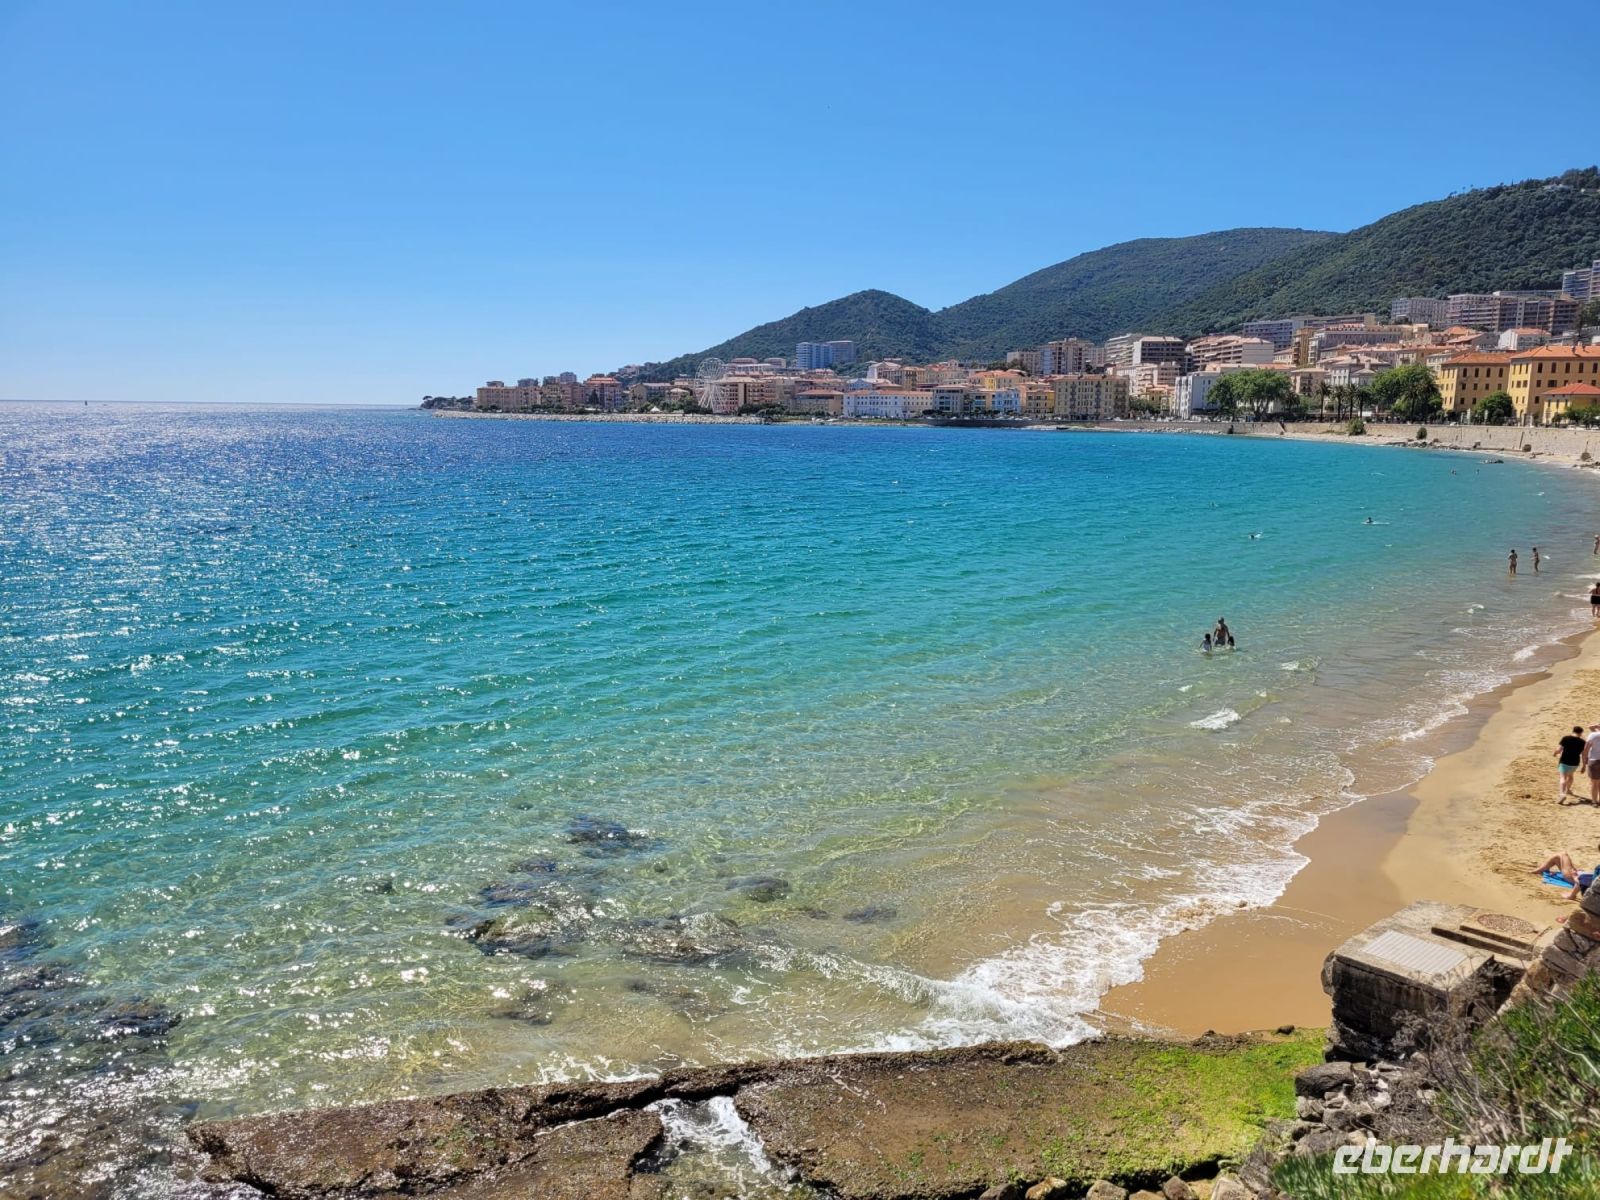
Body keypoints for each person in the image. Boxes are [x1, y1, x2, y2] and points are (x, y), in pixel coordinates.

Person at [1534, 844, 1600, 901]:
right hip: (1583, 877)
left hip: (1575, 878)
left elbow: (1587, 883)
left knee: (1561, 854)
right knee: (1558, 858)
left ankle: (1539, 870)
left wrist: (1575, 877)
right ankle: (1542, 869)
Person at [1558, 725, 1588, 802]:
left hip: (1564, 760)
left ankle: (1562, 794)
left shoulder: (1566, 738)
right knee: (1570, 776)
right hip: (1575, 762)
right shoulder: (1582, 742)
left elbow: (1559, 749)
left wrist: (1555, 753)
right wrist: (1584, 766)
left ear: (1573, 731)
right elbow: (1584, 755)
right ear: (1581, 733)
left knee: (1563, 777)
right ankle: (1567, 789)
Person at [1584, 724, 1600, 805]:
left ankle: (1594, 801)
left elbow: (1586, 749)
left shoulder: (1593, 735)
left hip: (1594, 760)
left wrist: (1584, 761)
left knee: (1594, 783)